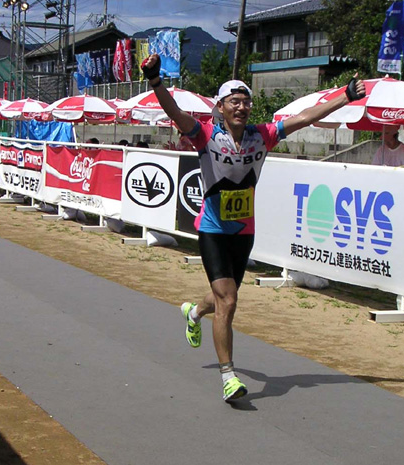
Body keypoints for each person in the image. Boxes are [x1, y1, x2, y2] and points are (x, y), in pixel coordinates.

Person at [141, 53, 365, 403]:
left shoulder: (263, 136)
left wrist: (345, 96)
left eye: (246, 102)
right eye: (234, 101)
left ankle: (194, 312)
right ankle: (229, 377)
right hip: (212, 229)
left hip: (244, 232)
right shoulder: (204, 135)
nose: (242, 107)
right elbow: (175, 112)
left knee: (222, 299)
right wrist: (156, 81)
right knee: (228, 300)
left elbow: (305, 117)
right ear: (220, 107)